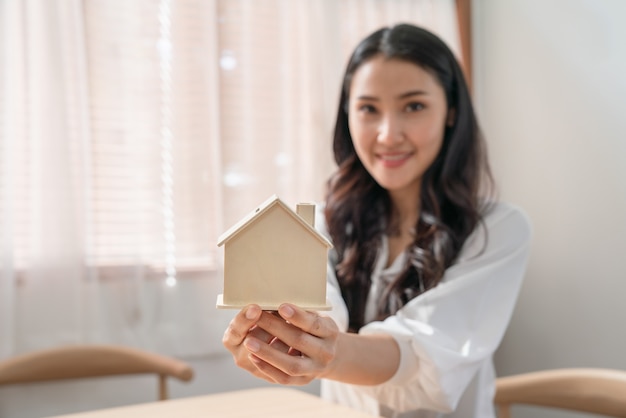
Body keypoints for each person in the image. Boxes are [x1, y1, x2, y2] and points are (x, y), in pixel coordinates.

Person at [222, 23, 531, 418]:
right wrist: (276, 343)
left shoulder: (498, 230)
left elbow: (428, 357)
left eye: (414, 106)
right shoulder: (324, 225)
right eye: (369, 109)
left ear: (451, 111)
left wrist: (327, 353)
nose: (388, 135)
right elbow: (315, 319)